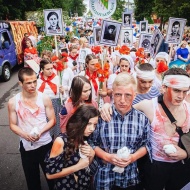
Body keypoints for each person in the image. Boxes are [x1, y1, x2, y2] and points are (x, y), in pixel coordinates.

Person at [101, 68, 190, 190]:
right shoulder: (148, 105)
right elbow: (124, 106)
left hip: (182, 166)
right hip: (155, 167)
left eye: (185, 91)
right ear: (164, 87)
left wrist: (186, 153)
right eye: (176, 90)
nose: (181, 96)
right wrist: (106, 106)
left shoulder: (189, 109)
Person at [89, 73, 151, 189]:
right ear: (112, 94)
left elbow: (147, 144)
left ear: (134, 95)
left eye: (127, 95)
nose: (122, 100)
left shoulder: (142, 119)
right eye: (118, 94)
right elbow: (91, 143)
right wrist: (107, 157)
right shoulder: (101, 117)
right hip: (105, 176)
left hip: (129, 178)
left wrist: (133, 157)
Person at [8, 67, 55, 190]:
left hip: (46, 144)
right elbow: (12, 124)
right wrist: (24, 134)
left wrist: (41, 131)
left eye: (35, 81)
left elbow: (52, 120)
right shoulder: (13, 102)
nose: (33, 85)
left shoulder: (44, 98)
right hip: (27, 147)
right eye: (29, 83)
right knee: (32, 182)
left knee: (53, 178)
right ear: (20, 83)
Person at [45, 104, 99, 190]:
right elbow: (49, 175)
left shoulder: (86, 137)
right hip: (66, 186)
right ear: (79, 121)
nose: (92, 128)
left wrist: (92, 155)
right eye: (89, 124)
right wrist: (77, 166)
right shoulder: (61, 141)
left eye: (95, 125)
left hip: (84, 184)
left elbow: (86, 165)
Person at [37, 59, 64, 139]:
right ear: (42, 69)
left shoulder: (57, 78)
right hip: (44, 106)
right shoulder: (38, 81)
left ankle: (57, 143)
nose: (51, 71)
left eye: (52, 68)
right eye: (48, 69)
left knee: (57, 126)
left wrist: (62, 92)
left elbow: (62, 96)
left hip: (56, 105)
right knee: (46, 126)